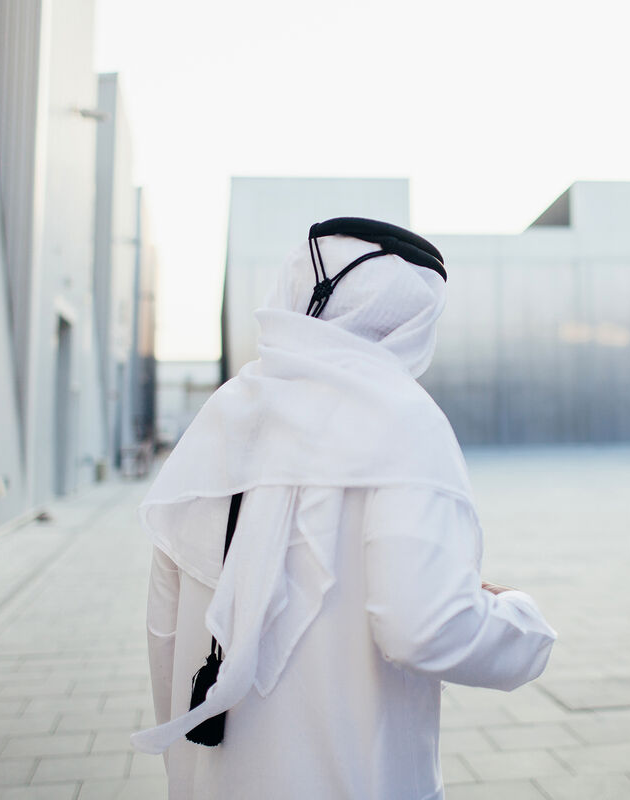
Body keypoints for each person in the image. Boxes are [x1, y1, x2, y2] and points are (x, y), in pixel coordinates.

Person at [132, 218, 556, 799]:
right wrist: (522, 622)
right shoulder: (405, 421)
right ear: (412, 318)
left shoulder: (226, 417)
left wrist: (188, 771)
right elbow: (424, 627)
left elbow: (164, 625)